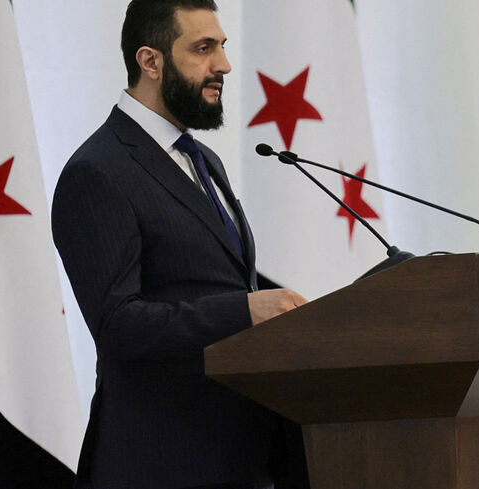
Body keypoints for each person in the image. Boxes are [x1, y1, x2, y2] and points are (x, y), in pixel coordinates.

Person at [51, 1, 308, 487]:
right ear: (150, 61)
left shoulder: (202, 158)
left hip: (238, 455)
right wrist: (244, 311)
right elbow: (118, 325)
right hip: (161, 461)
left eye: (222, 47)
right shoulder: (98, 171)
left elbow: (214, 280)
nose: (224, 65)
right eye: (203, 49)